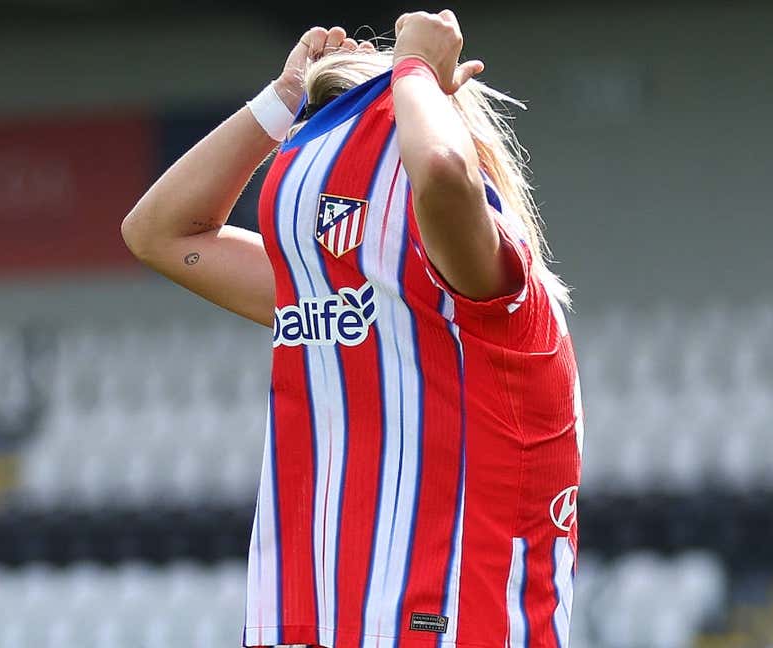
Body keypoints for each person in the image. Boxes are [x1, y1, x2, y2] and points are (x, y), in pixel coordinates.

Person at [121, 10, 582, 648]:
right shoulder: (367, 296)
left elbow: (444, 175)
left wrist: (415, 69)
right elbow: (158, 233)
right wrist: (280, 103)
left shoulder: (491, 288)